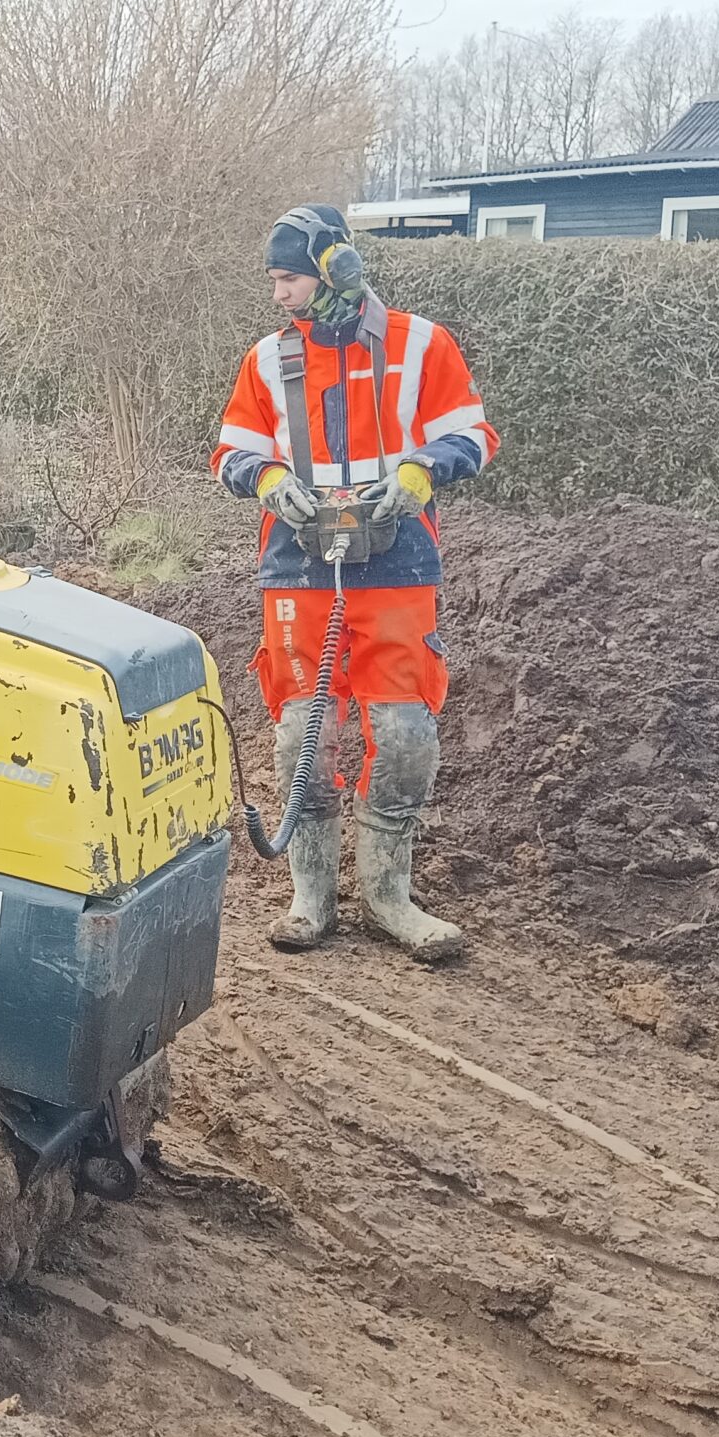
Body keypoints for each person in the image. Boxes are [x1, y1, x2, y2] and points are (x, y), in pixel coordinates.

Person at [208, 204, 498, 962]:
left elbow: (473, 433)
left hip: (397, 564)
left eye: (288, 278)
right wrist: (268, 478)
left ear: (335, 269)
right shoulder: (268, 360)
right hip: (298, 567)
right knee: (306, 732)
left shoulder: (421, 345)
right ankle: (311, 898)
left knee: (403, 735)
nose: (279, 295)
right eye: (274, 281)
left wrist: (420, 470)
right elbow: (231, 450)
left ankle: (388, 896)